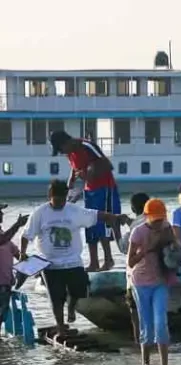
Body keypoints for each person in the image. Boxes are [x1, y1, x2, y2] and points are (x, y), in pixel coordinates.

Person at [20, 179, 128, 338]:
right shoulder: (40, 213)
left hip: (73, 262)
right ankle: (61, 325)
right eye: (57, 200)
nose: (60, 203)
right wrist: (23, 252)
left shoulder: (73, 210)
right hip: (50, 264)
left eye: (63, 199)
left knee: (80, 290)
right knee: (56, 298)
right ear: (50, 196)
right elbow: (26, 235)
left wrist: (116, 217)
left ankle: (71, 307)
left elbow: (96, 215)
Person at [49, 130, 121, 273]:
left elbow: (108, 165)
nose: (63, 152)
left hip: (104, 188)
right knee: (90, 225)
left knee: (103, 224)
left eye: (62, 149)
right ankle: (93, 262)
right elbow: (75, 169)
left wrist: (90, 173)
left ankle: (108, 260)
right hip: (89, 190)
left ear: (67, 142)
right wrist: (71, 183)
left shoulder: (87, 146)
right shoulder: (70, 153)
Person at [127, 198, 174, 365]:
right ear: (146, 216)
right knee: (146, 323)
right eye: (155, 220)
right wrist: (147, 249)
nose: (158, 223)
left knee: (161, 322)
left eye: (161, 219)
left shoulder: (167, 228)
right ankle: (145, 363)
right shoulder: (138, 232)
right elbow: (130, 262)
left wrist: (172, 245)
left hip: (160, 280)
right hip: (140, 282)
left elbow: (175, 249)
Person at [117, 192, 150, 343]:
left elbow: (124, 247)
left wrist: (115, 228)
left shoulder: (135, 226)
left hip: (136, 275)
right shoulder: (158, 221)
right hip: (156, 274)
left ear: (132, 207)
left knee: (135, 310)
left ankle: (139, 341)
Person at [0, 204, 21, 329]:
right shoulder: (4, 236)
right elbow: (2, 240)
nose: (2, 214)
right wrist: (17, 225)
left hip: (5, 284)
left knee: (2, 316)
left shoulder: (4, 234)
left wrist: (37, 267)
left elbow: (18, 254)